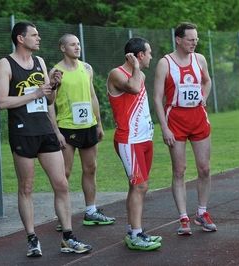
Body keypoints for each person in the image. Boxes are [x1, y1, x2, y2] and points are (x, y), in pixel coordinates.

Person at [0, 21, 92, 257]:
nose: (39, 38)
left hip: (46, 131)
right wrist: (36, 92)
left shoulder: (39, 62)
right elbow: (1, 102)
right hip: (23, 132)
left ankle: (68, 237)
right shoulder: (5, 64)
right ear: (20, 38)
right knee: (26, 187)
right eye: (34, 35)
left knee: (61, 184)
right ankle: (32, 239)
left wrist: (53, 87)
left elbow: (48, 101)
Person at [153, 22, 216, 235]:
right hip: (176, 119)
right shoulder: (165, 63)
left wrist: (203, 98)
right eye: (190, 39)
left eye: (196, 39)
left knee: (205, 168)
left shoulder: (200, 59)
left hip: (198, 117)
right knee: (179, 170)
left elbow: (207, 81)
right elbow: (156, 97)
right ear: (178, 40)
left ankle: (202, 212)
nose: (194, 43)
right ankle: (183, 218)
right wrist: (164, 128)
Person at [48, 33, 115, 231]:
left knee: (90, 168)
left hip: (88, 125)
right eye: (72, 45)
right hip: (67, 127)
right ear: (63, 48)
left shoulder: (87, 68)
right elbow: (50, 103)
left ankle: (91, 211)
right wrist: (56, 131)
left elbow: (93, 95)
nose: (77, 47)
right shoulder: (56, 72)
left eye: (78, 44)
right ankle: (63, 216)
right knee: (64, 173)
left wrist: (99, 123)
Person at [107, 37, 162, 251]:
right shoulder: (117, 73)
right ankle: (137, 235)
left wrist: (138, 69)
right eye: (148, 53)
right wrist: (136, 68)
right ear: (139, 56)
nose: (151, 56)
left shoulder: (140, 75)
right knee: (140, 185)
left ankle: (134, 231)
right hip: (128, 140)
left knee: (137, 185)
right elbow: (133, 88)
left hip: (144, 139)